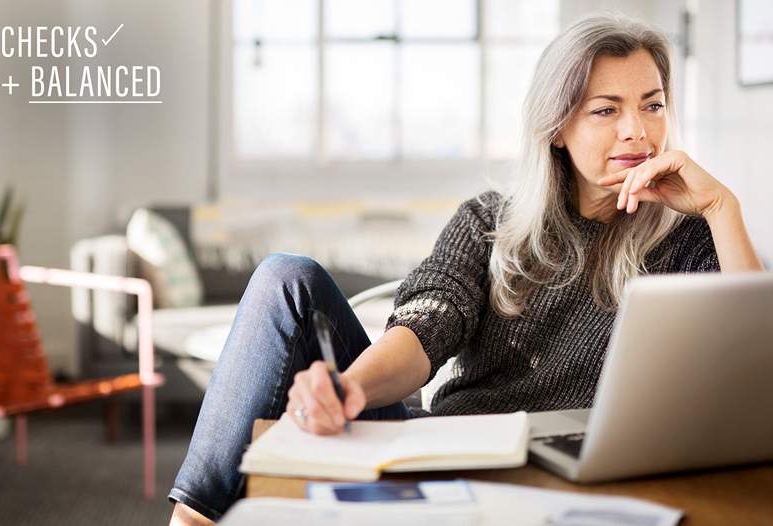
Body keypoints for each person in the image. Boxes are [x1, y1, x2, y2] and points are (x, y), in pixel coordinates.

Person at [168, 14, 763, 525]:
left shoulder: (690, 237)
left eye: (652, 105)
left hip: (582, 469)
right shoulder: (489, 221)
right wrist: (351, 388)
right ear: (557, 128)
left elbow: (756, 369)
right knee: (284, 277)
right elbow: (422, 332)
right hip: (457, 450)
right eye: (607, 109)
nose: (637, 129)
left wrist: (720, 207)